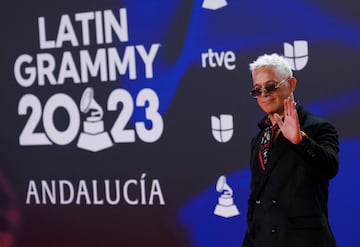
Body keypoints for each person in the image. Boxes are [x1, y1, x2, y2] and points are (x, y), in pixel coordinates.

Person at [241, 53, 339, 247]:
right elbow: (257, 195)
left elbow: (329, 167)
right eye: (257, 90)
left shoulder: (318, 128)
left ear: (291, 84)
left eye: (271, 86)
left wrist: (300, 141)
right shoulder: (259, 138)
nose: (264, 94)